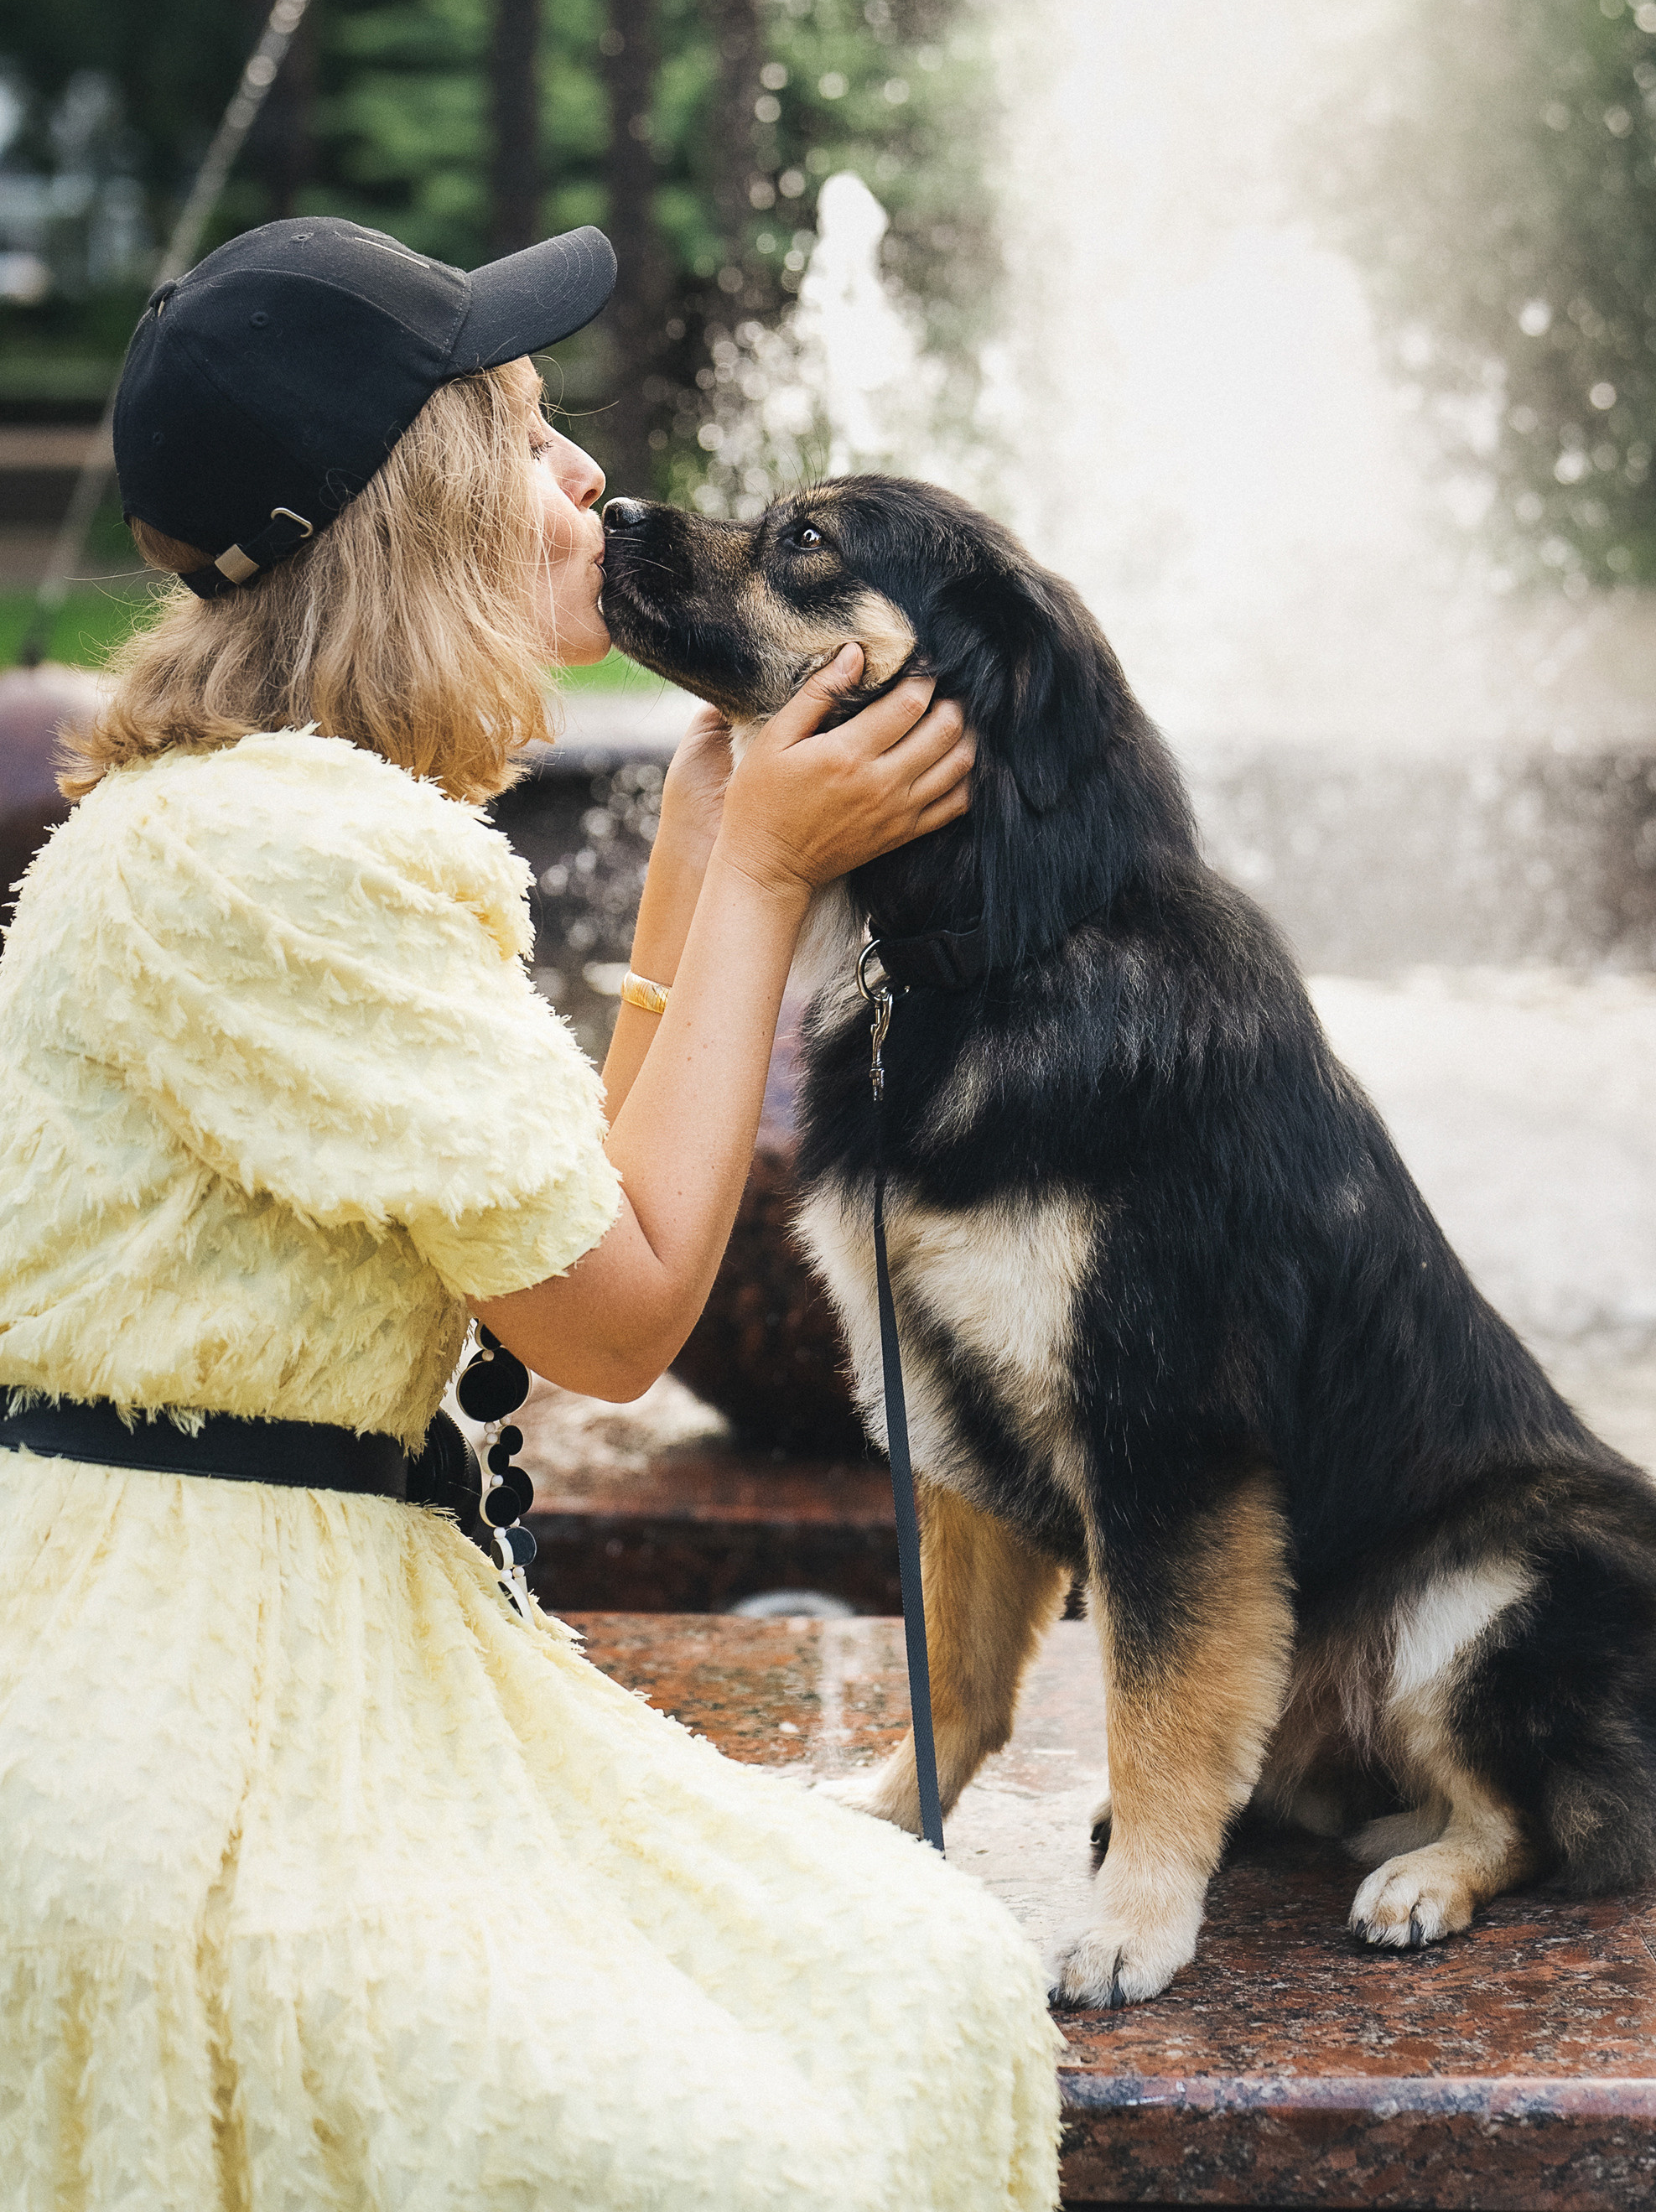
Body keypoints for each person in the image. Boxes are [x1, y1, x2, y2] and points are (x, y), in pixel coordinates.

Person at [0, 218, 1061, 2212]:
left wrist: (698, 849)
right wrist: (758, 873)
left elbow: (555, 1203)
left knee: (906, 1970)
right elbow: (614, 1320)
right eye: (523, 429)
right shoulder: (280, 858)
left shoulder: (256, 816)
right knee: (726, 2148)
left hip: (273, 1628)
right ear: (404, 505)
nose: (588, 471)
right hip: (187, 1715)